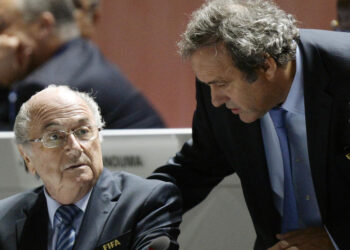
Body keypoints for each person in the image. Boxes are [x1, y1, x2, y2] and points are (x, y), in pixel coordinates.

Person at [150, 0, 350, 249]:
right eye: (208, 84)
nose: (215, 100)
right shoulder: (219, 80)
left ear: (266, 65)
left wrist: (336, 239)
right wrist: (128, 211)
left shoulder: (344, 73)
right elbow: (198, 166)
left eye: (222, 84)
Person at [0, 85, 181, 250]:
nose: (76, 147)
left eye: (83, 132)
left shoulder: (147, 202)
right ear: (27, 158)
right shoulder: (5, 219)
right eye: (54, 137)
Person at [0, 0, 164, 131]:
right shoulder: (79, 56)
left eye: (2, 26)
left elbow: (13, 159)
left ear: (43, 26)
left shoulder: (49, 87)